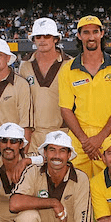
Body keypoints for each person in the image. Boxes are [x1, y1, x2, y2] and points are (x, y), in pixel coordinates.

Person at [58, 15, 111, 178]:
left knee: (108, 188)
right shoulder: (68, 69)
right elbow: (66, 109)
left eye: (95, 32)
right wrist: (85, 141)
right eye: (86, 32)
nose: (91, 37)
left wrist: (100, 138)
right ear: (79, 35)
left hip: (108, 136)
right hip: (78, 139)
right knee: (74, 189)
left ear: (102, 34)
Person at [18, 18, 71, 150]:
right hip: (33, 135)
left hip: (62, 132)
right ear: (34, 39)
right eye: (38, 36)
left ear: (55, 39)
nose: (42, 40)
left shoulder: (70, 64)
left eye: (47, 36)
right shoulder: (24, 65)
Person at [0, 38, 33, 149]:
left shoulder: (21, 84)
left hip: (10, 147)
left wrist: (21, 156)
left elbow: (26, 125)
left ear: (8, 58)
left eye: (0, 55)